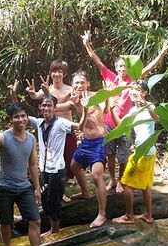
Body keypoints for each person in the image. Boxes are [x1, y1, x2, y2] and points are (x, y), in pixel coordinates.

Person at [81, 30, 168, 193]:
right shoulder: (111, 78)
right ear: (116, 67)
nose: (122, 68)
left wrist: (162, 54)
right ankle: (113, 180)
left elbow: (149, 68)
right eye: (120, 66)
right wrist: (87, 44)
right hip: (108, 123)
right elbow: (97, 61)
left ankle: (121, 181)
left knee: (123, 154)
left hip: (126, 124)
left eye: (125, 66)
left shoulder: (132, 81)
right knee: (110, 154)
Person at [0, 102, 60, 246]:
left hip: (24, 187)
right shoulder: (2, 137)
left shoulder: (31, 139)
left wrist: (37, 187)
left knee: (35, 220)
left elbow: (32, 165)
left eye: (23, 116)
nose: (21, 119)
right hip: (4, 187)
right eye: (17, 117)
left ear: (27, 118)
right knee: (6, 222)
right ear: (10, 120)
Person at [28, 94, 87, 236]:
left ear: (55, 108)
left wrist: (85, 110)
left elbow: (80, 127)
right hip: (44, 169)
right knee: (45, 199)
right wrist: (13, 95)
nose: (46, 108)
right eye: (44, 105)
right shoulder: (39, 122)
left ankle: (54, 229)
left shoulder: (61, 123)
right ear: (40, 107)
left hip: (57, 170)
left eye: (49, 105)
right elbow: (20, 113)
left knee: (54, 201)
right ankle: (52, 227)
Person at [25, 59, 77, 197]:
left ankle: (62, 187)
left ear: (64, 74)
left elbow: (74, 104)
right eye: (54, 71)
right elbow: (36, 96)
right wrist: (32, 93)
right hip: (52, 133)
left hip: (67, 131)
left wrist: (49, 94)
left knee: (70, 162)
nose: (56, 74)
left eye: (60, 71)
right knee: (53, 162)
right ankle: (60, 191)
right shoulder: (48, 90)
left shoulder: (70, 90)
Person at [111, 80, 159, 224]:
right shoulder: (133, 111)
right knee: (145, 186)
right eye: (132, 89)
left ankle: (129, 216)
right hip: (144, 152)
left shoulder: (150, 106)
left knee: (126, 183)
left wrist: (144, 103)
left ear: (144, 93)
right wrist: (112, 109)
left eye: (137, 89)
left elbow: (157, 119)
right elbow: (120, 125)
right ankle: (148, 215)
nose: (133, 91)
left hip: (145, 152)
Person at [66, 70, 108, 228]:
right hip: (86, 141)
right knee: (74, 166)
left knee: (97, 176)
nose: (79, 85)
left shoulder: (96, 96)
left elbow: (105, 107)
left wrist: (107, 96)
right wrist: (44, 94)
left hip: (99, 141)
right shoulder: (73, 100)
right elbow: (56, 105)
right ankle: (85, 192)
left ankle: (102, 214)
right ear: (72, 85)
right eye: (76, 82)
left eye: (82, 82)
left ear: (88, 83)